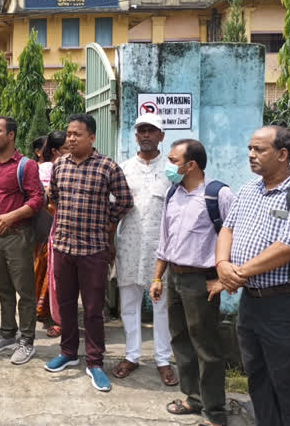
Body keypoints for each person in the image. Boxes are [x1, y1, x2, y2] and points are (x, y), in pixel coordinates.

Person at [215, 126, 290, 426]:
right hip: (251, 303)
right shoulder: (249, 189)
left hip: (286, 305)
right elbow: (228, 228)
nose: (251, 155)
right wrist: (222, 264)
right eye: (250, 148)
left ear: (283, 154)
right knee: (258, 377)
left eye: (259, 149)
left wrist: (238, 273)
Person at [149, 139, 234, 426]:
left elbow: (235, 237)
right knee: (181, 340)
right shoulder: (174, 193)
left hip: (202, 280)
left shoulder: (217, 195)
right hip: (174, 276)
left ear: (192, 164)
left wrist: (223, 280)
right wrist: (158, 277)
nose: (169, 166)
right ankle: (192, 398)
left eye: (174, 161)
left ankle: (215, 410)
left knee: (206, 346)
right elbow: (165, 239)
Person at [47, 114, 133, 392]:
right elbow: (54, 197)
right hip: (63, 247)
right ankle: (68, 353)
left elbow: (124, 201)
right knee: (67, 304)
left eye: (77, 135)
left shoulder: (107, 167)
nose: (70, 139)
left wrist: (105, 221)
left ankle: (95, 362)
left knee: (94, 309)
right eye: (68, 134)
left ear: (92, 137)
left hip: (94, 249)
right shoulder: (60, 165)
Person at [113, 114, 177, 386]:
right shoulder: (123, 168)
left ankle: (163, 359)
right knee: (129, 303)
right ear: (136, 135)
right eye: (141, 130)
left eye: (152, 130)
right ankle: (132, 355)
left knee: (162, 305)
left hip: (161, 249)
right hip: (128, 243)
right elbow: (113, 207)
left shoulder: (173, 170)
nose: (146, 135)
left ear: (162, 136)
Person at [0, 117, 45, 364]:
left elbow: (38, 200)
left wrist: (12, 216)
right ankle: (7, 333)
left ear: (12, 135)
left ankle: (27, 341)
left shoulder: (26, 166)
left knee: (24, 291)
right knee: (3, 289)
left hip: (18, 235)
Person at [34, 130, 69, 337]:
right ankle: (51, 313)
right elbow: (49, 202)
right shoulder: (48, 169)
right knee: (50, 272)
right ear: (55, 151)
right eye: (65, 148)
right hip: (51, 228)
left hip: (64, 229)